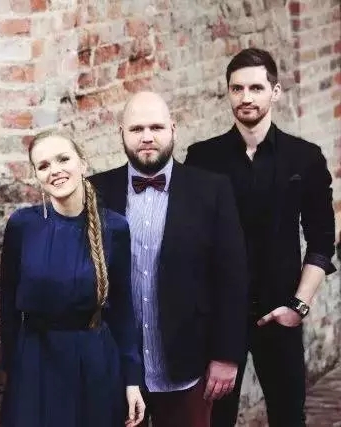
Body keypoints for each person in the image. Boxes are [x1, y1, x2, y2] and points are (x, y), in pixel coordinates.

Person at [185, 48, 336, 427]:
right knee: (215, 420)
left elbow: (321, 241)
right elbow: (190, 244)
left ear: (275, 92)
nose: (246, 97)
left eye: (256, 88)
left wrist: (298, 307)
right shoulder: (203, 158)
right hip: (221, 319)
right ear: (228, 93)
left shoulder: (304, 158)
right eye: (237, 89)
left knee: (289, 418)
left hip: (279, 313)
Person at [89, 91, 249, 427]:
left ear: (173, 129)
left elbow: (232, 278)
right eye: (136, 129)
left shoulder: (211, 190)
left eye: (156, 127)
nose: (147, 137)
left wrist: (227, 355)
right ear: (121, 133)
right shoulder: (95, 192)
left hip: (187, 366)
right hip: (116, 368)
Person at [0, 129, 146, 427]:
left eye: (63, 159)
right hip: (36, 362)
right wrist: (14, 370)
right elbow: (7, 305)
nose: (54, 170)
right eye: (43, 165)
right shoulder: (22, 226)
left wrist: (132, 380)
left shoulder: (115, 227)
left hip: (94, 360)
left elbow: (123, 309)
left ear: (83, 163)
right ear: (36, 176)